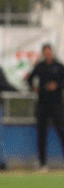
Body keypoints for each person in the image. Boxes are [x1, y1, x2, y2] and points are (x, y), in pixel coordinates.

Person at [26, 43, 64, 172]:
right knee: (41, 135)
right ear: (43, 53)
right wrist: (34, 88)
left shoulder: (59, 66)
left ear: (52, 52)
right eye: (45, 52)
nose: (48, 54)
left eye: (49, 51)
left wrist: (57, 85)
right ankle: (43, 164)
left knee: (62, 132)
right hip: (42, 104)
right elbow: (29, 79)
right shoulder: (39, 66)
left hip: (57, 104)